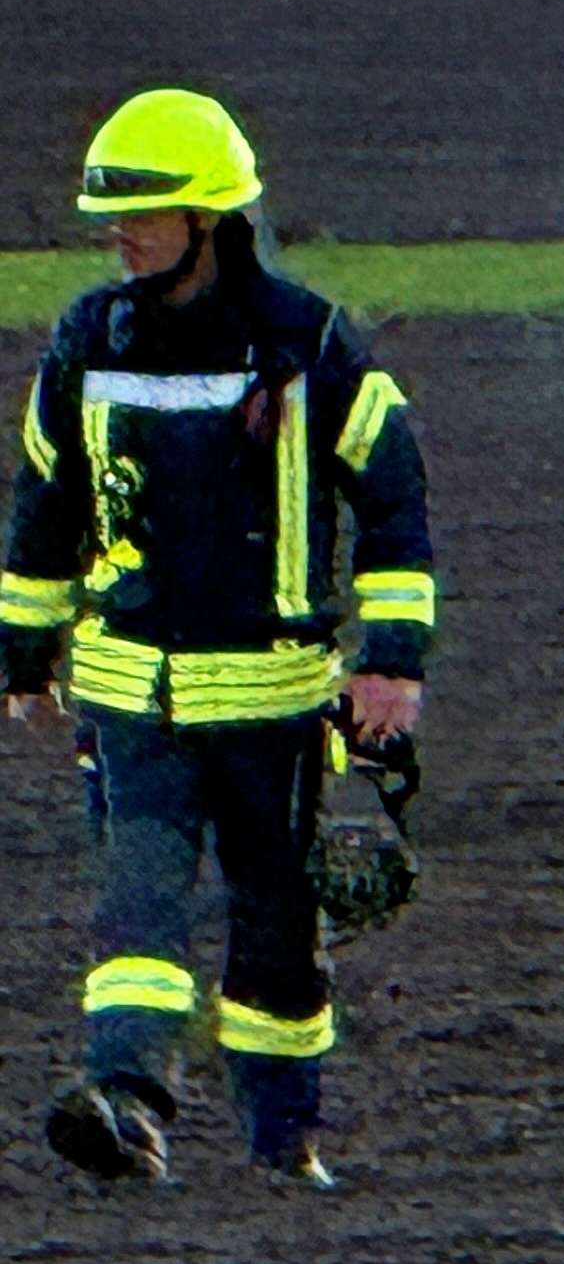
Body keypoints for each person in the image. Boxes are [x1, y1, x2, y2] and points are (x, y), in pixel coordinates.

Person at [1, 90, 436, 1191]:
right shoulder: (88, 338)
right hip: (132, 696)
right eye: (115, 215)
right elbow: (46, 499)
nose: (122, 234)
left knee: (277, 931)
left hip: (273, 704)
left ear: (211, 218)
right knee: (138, 898)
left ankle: (282, 1145)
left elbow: (392, 498)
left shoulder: (309, 341)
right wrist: (23, 652)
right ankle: (126, 1101)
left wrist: (393, 659)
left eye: (145, 213)